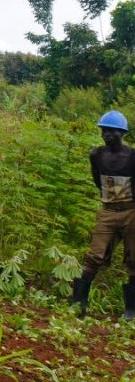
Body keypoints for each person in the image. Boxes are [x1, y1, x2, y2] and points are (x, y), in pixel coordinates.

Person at [69, 110, 135, 320]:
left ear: (121, 133)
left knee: (133, 258)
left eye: (112, 131)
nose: (107, 135)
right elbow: (98, 181)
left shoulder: (132, 156)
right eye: (104, 131)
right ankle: (78, 304)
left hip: (131, 212)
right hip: (107, 211)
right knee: (94, 255)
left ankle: (131, 311)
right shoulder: (97, 155)